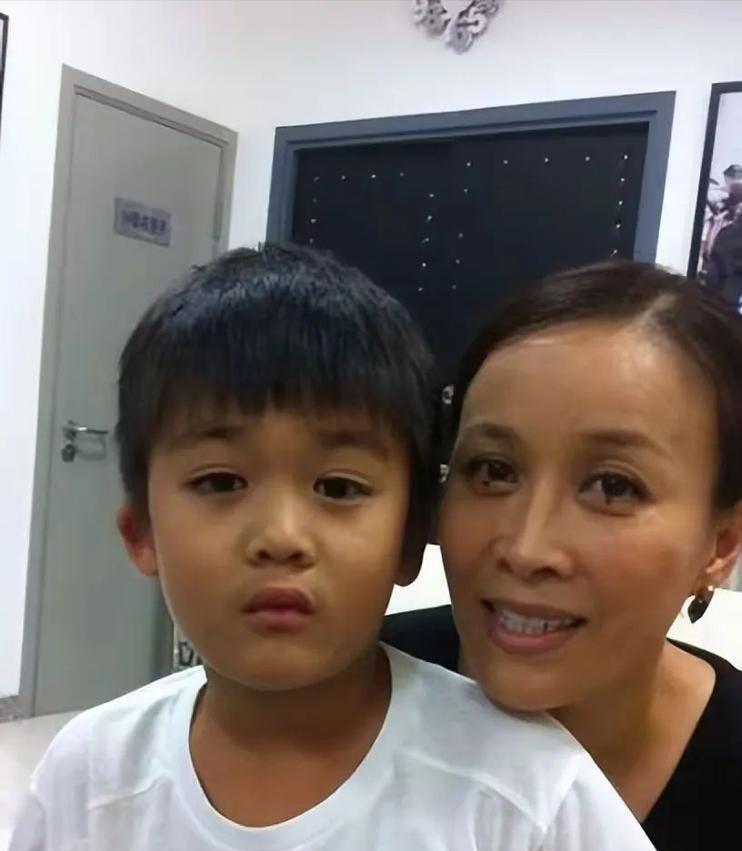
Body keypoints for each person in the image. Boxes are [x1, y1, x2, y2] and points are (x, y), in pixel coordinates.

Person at [10, 245, 654, 851]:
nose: (281, 538)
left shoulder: (525, 792)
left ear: (410, 541)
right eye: (221, 482)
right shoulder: (91, 777)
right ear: (142, 533)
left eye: (339, 487)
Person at [383, 259, 742, 851]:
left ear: (720, 545)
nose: (527, 550)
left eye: (613, 487)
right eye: (493, 471)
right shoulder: (339, 698)